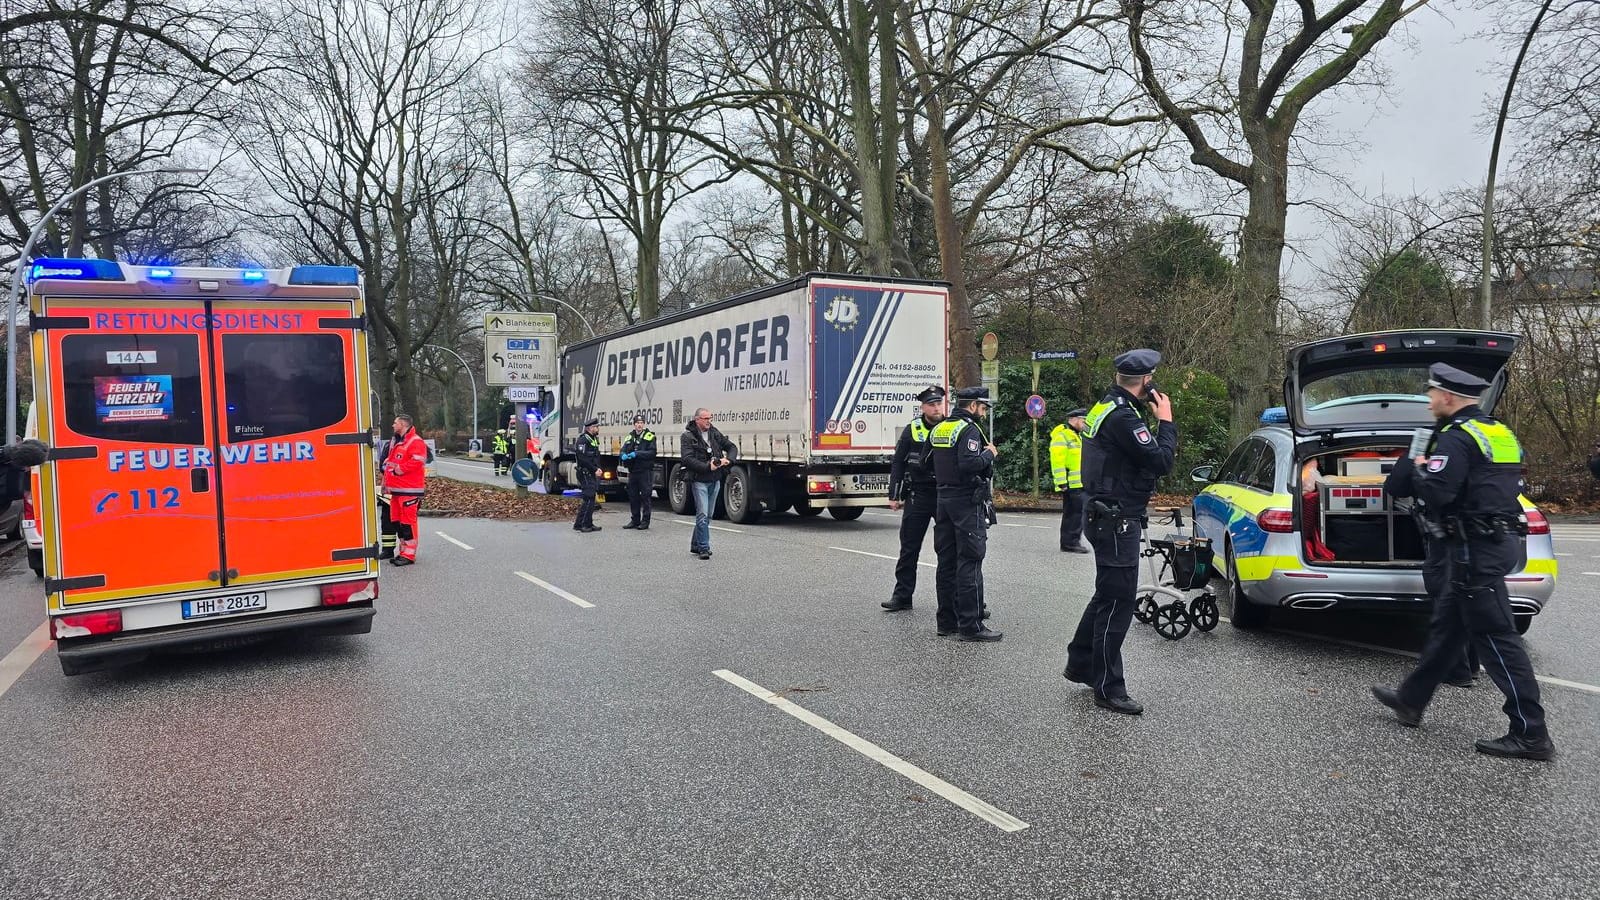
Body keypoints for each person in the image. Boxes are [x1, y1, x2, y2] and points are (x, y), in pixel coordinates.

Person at [1371, 363, 1554, 761]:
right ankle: (1410, 700)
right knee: (1448, 628)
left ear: (1448, 398)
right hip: (1495, 542)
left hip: (1474, 549)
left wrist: (1419, 468)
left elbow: (1437, 492)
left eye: (1432, 394)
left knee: (1497, 640)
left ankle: (1531, 733)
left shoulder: (1454, 439)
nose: (1429, 400)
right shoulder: (1498, 431)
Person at [1063, 349, 1177, 715]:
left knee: (1106, 595)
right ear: (1146, 381)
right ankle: (1108, 688)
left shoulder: (1102, 407)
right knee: (1119, 601)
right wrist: (1166, 421)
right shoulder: (1125, 418)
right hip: (1116, 520)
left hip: (1102, 514)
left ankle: (1081, 663)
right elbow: (1161, 461)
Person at [1386, 424, 1480, 689]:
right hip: (1483, 537)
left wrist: (1416, 464)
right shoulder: (1481, 442)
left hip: (1447, 536)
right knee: (1469, 597)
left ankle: (1456, 670)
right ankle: (1471, 665)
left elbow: (1395, 486)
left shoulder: (1431, 446)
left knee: (1444, 595)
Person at [929, 386, 1002, 642]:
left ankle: (946, 622)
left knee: (946, 562)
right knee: (970, 559)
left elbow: (928, 462)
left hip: (943, 500)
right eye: (982, 408)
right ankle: (971, 625)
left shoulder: (940, 428)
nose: (983, 413)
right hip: (965, 500)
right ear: (972, 405)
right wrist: (988, 454)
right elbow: (969, 463)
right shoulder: (968, 429)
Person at [882, 385, 948, 612]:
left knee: (951, 550)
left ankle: (963, 601)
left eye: (939, 403)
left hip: (944, 495)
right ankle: (902, 596)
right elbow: (898, 463)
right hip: (918, 495)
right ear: (922, 407)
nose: (936, 407)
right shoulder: (913, 429)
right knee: (909, 549)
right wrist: (894, 494)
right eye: (932, 404)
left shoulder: (952, 427)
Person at [681, 407, 737, 560]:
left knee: (708, 516)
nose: (708, 421)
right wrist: (708, 466)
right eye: (705, 419)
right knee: (702, 514)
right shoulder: (688, 436)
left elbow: (731, 447)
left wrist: (729, 460)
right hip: (699, 480)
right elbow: (687, 459)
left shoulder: (714, 432)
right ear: (697, 419)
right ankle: (704, 548)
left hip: (715, 480)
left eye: (710, 418)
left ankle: (695, 544)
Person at [382, 414, 429, 566]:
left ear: (403, 424)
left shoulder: (415, 441)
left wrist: (399, 470)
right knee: (397, 521)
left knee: (408, 523)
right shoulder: (398, 442)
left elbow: (417, 461)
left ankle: (409, 555)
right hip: (396, 490)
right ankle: (403, 551)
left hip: (409, 490)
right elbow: (391, 462)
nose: (393, 425)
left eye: (395, 423)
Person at [1051, 408, 1089, 553]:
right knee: (1074, 514)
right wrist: (1061, 482)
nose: (1085, 423)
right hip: (1070, 483)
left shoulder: (1076, 435)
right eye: (1083, 420)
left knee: (1075, 512)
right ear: (1074, 420)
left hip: (1078, 482)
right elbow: (1057, 461)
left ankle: (1071, 541)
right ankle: (1070, 543)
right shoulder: (1062, 436)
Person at [621, 414, 657, 530]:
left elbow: (652, 453)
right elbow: (623, 450)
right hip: (633, 471)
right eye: (637, 423)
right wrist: (623, 455)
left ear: (644, 424)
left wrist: (637, 454)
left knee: (645, 496)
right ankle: (635, 520)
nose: (639, 425)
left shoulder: (649, 436)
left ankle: (645, 521)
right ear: (634, 424)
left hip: (644, 471)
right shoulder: (629, 437)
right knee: (633, 496)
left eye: (641, 423)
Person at [574, 417, 602, 533]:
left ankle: (581, 523)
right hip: (585, 472)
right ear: (590, 428)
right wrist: (594, 469)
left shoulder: (593, 439)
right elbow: (582, 458)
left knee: (589, 498)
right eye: (596, 427)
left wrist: (598, 468)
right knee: (590, 498)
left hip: (590, 471)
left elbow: (595, 457)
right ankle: (585, 525)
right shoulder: (583, 440)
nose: (597, 428)